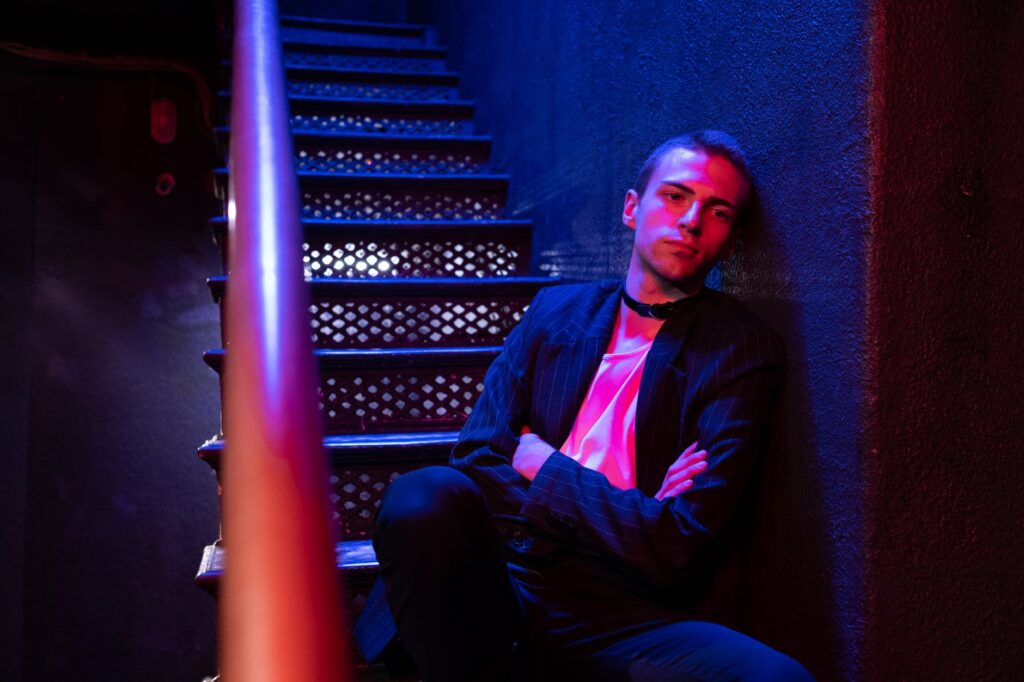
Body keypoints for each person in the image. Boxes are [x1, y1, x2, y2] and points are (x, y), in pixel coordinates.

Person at [354, 131, 814, 681]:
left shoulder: (741, 349)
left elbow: (677, 544)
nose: (691, 220)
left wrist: (545, 467)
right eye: (674, 195)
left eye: (716, 211)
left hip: (627, 610)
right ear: (631, 208)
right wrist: (631, 509)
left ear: (730, 242)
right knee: (422, 496)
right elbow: (477, 455)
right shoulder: (555, 311)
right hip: (506, 575)